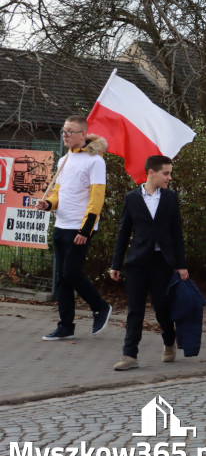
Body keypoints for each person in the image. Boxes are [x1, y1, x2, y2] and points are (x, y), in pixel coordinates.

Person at [109, 155, 189, 370]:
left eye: (170, 173)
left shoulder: (170, 198)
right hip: (137, 261)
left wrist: (181, 265)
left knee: (161, 306)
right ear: (151, 173)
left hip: (161, 262)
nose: (169, 177)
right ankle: (130, 355)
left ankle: (169, 341)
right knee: (135, 309)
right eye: (166, 173)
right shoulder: (132, 198)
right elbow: (123, 232)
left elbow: (176, 234)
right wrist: (116, 264)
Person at [37, 115, 112, 341]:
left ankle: (100, 306)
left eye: (70, 131)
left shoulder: (95, 161)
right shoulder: (64, 160)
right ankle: (66, 325)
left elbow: (97, 198)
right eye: (64, 131)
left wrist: (85, 230)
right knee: (62, 278)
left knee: (71, 272)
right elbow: (59, 193)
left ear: (82, 135)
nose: (65, 135)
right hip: (61, 224)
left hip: (79, 228)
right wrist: (48, 204)